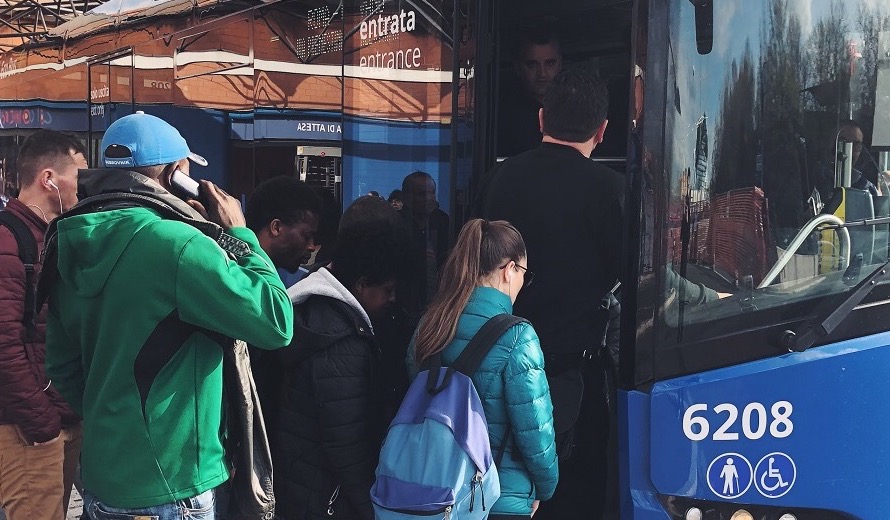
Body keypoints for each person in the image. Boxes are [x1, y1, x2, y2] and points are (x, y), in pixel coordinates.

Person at [43, 112, 294, 519]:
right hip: (173, 483)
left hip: (105, 476)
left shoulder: (70, 238)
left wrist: (117, 419)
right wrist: (240, 233)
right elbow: (275, 321)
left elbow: (61, 364)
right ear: (177, 174)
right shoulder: (176, 245)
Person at [480, 69, 623, 520]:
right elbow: (630, 274)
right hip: (566, 379)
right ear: (602, 131)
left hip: (494, 367)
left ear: (541, 118)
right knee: (567, 492)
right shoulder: (607, 189)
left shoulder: (498, 179)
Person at [407, 219, 558, 520]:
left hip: (431, 492)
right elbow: (535, 431)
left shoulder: (430, 325)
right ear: (510, 269)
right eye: (524, 275)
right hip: (496, 496)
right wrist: (544, 487)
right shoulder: (517, 336)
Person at [274, 201, 413, 520]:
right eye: (387, 290)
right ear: (362, 283)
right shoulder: (342, 342)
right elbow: (347, 445)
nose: (391, 299)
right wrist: (370, 509)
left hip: (299, 487)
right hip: (328, 499)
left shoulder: (305, 306)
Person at [0, 130, 86, 520]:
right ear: (49, 179)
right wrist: (42, 422)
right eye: (80, 176)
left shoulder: (48, 236)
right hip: (26, 427)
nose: (85, 188)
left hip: (54, 416)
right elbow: (3, 345)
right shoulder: (9, 240)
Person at [497, 26, 563, 157]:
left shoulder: (575, 109)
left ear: (560, 63)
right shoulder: (500, 115)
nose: (542, 73)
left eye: (550, 63)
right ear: (518, 66)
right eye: (532, 64)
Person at [399, 171, 450, 316]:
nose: (428, 198)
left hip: (439, 299)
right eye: (422, 194)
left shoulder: (443, 222)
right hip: (406, 301)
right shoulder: (396, 223)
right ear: (406, 197)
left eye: (432, 193)